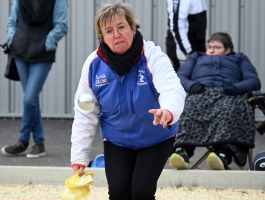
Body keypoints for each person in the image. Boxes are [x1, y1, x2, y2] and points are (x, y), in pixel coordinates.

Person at [70, 2, 186, 200]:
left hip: (156, 137)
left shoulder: (152, 55)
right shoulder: (92, 66)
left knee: (141, 191)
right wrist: (79, 157)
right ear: (102, 37)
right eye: (109, 31)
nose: (116, 34)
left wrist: (167, 111)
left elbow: (172, 88)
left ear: (133, 28)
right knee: (118, 192)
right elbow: (85, 113)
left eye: (121, 27)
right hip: (117, 140)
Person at [169, 32, 261, 170]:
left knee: (231, 109)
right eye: (209, 46)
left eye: (217, 47)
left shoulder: (239, 58)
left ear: (228, 50)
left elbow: (254, 81)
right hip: (200, 94)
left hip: (229, 94)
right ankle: (182, 152)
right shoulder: (196, 57)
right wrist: (192, 86)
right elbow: (180, 77)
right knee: (188, 108)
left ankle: (223, 155)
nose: (211, 50)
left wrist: (235, 88)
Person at [1, 0, 68, 158]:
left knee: (29, 98)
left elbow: (61, 26)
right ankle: (39, 143)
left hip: (42, 54)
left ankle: (23, 140)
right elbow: (12, 21)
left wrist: (48, 42)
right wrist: (13, 38)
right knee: (31, 100)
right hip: (19, 53)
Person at [165, 0, 207, 72]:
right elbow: (177, 25)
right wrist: (188, 51)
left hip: (196, 48)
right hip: (183, 49)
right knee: (183, 80)